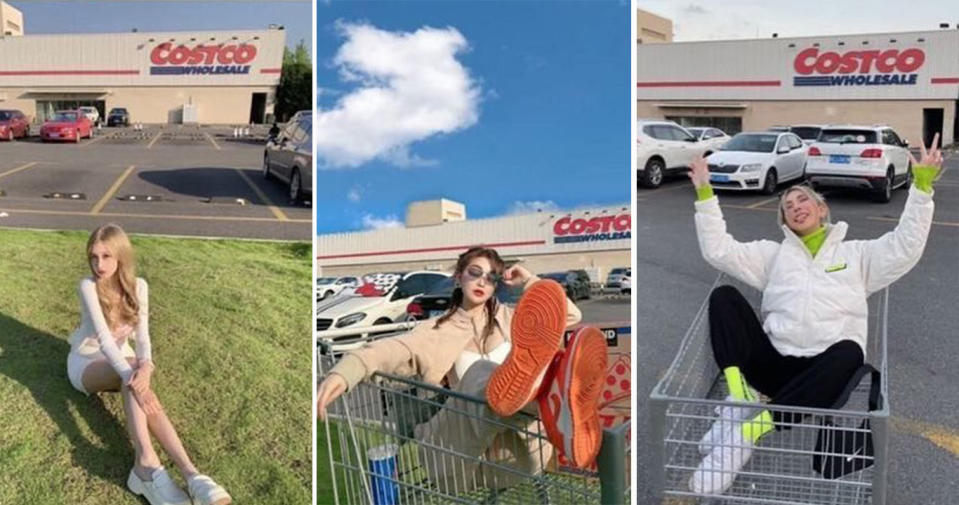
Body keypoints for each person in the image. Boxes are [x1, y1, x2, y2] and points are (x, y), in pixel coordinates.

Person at [686, 135, 944, 494]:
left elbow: (905, 247)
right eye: (787, 205)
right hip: (773, 365)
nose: (795, 206)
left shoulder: (857, 255)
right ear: (785, 221)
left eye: (802, 199)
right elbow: (719, 251)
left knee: (851, 352)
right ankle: (739, 393)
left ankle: (751, 430)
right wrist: (704, 194)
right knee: (724, 297)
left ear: (822, 209)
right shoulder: (773, 256)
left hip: (821, 374)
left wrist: (922, 187)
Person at [316, 247, 608, 491]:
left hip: (512, 457)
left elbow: (570, 314)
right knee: (482, 371)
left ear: (497, 285)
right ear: (458, 276)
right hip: (455, 459)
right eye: (475, 273)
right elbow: (390, 350)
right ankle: (554, 398)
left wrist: (529, 280)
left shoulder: (513, 320)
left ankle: (549, 394)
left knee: (532, 365)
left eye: (492, 278)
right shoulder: (433, 331)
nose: (483, 282)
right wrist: (347, 370)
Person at [66, 224, 231, 505]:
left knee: (135, 376)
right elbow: (105, 341)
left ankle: (191, 475)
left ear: (121, 256)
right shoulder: (88, 286)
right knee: (134, 378)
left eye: (106, 256)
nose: (99, 264)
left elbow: (143, 339)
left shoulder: (139, 286)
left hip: (125, 359)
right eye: (93, 257)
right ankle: (146, 465)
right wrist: (138, 376)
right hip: (87, 362)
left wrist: (147, 367)